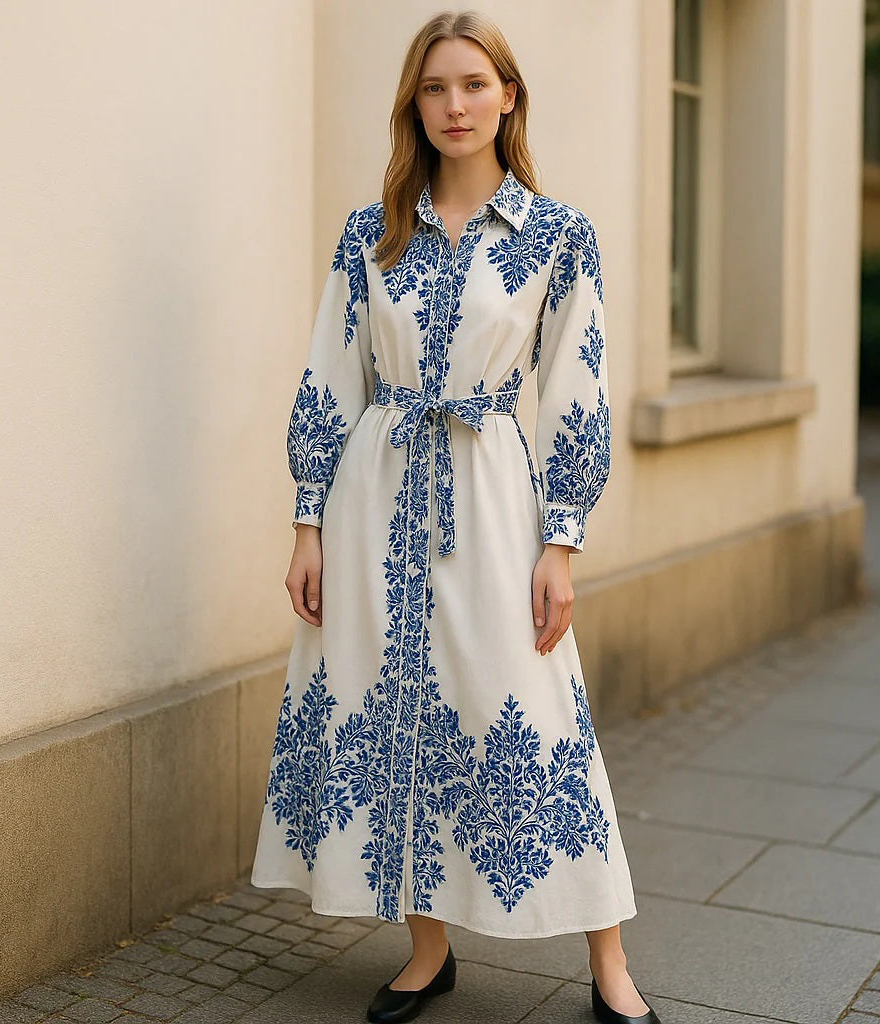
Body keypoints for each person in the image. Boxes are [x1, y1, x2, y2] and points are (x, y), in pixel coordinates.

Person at [250, 9, 663, 1024]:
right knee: (386, 712)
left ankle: (609, 966)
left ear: (508, 96)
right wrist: (306, 524)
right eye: (435, 88)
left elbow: (578, 388)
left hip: (491, 503)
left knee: (535, 713)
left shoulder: (558, 236)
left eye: (474, 84)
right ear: (414, 106)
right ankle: (425, 949)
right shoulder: (370, 233)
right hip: (368, 500)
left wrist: (559, 542)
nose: (455, 104)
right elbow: (327, 376)